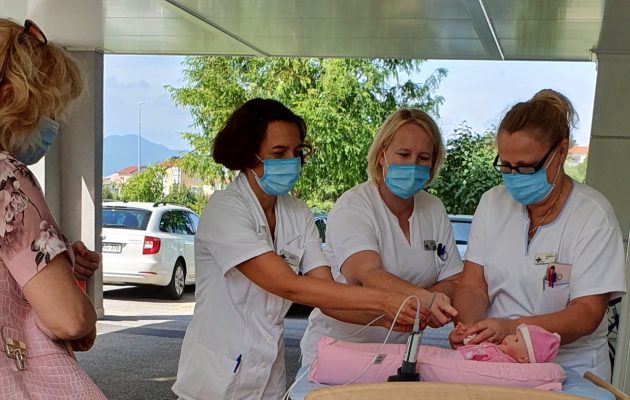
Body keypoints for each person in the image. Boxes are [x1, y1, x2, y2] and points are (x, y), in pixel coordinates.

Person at [172, 98, 420, 400]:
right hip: (215, 377)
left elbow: (326, 295)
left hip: (267, 375)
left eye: (296, 152)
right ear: (248, 154)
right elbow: (288, 285)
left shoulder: (297, 212)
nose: (292, 162)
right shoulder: (224, 209)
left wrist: (387, 320)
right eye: (279, 153)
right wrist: (385, 301)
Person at [449, 89, 627, 380]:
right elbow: (473, 284)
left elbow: (586, 312)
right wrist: (469, 328)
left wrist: (512, 328)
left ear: (561, 152)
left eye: (525, 167)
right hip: (497, 361)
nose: (514, 177)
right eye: (506, 166)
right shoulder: (492, 203)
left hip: (572, 369)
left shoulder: (593, 216)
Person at [299, 108, 462, 369]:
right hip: (339, 352)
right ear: (382, 155)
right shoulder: (354, 205)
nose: (413, 165)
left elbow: (454, 279)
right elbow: (367, 275)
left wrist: (423, 306)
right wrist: (425, 301)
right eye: (404, 154)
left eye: (423, 158)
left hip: (400, 354)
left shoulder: (433, 208)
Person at [0, 18, 104, 397]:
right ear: (8, 98)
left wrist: (59, 261)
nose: (52, 125)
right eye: (46, 110)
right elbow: (69, 318)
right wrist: (79, 303)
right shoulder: (7, 178)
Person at [451, 323, 560, 363]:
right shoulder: (498, 349)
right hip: (454, 355)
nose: (509, 337)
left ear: (523, 358)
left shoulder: (502, 361)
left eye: (516, 340)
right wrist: (467, 338)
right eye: (514, 334)